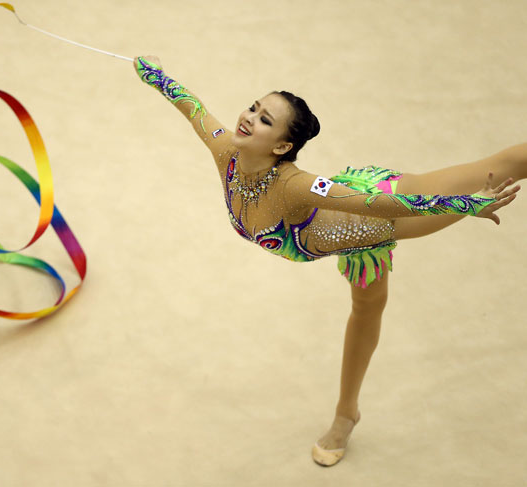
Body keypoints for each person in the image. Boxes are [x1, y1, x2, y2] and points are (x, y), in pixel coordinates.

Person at [132, 55, 523, 467]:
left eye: (265, 120)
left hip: (385, 217)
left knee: (503, 168)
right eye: (253, 107)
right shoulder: (225, 150)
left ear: (283, 146)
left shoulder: (297, 186)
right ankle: (347, 414)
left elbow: (374, 203)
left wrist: (463, 204)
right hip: (349, 246)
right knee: (367, 309)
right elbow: (192, 107)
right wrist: (155, 75)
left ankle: (343, 415)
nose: (249, 118)